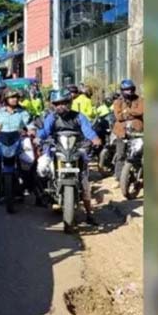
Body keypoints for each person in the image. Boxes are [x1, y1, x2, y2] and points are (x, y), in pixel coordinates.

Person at [38, 89, 102, 224]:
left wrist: (95, 138)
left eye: (64, 103)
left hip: (77, 150)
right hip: (56, 149)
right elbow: (45, 131)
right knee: (42, 168)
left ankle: (89, 213)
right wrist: (38, 137)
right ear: (53, 105)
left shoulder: (79, 116)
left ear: (70, 102)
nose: (60, 106)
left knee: (84, 181)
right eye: (57, 104)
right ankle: (44, 194)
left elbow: (87, 130)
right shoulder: (52, 117)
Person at [112, 79, 144, 176]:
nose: (129, 91)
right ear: (122, 90)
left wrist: (127, 112)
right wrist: (133, 113)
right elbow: (118, 116)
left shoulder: (140, 100)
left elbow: (141, 111)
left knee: (138, 154)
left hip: (137, 132)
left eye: (130, 89)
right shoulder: (118, 102)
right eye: (126, 89)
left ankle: (139, 175)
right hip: (121, 132)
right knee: (120, 154)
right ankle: (118, 177)